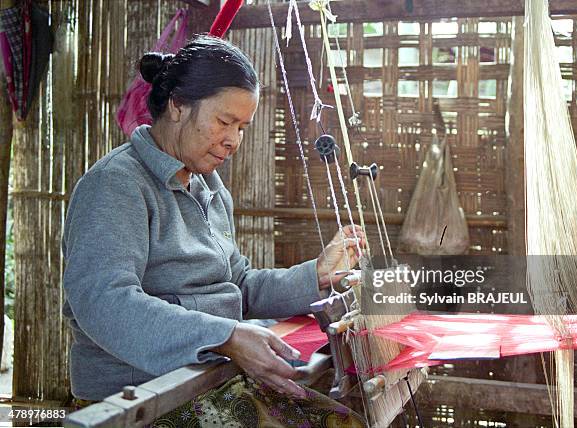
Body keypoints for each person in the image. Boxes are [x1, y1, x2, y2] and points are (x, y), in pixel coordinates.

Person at [62, 34, 366, 427]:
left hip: (209, 376)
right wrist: (226, 337)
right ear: (177, 105)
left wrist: (315, 275)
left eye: (242, 126)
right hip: (146, 397)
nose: (234, 140)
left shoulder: (207, 185)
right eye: (224, 121)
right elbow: (105, 303)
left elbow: (236, 283)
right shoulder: (115, 185)